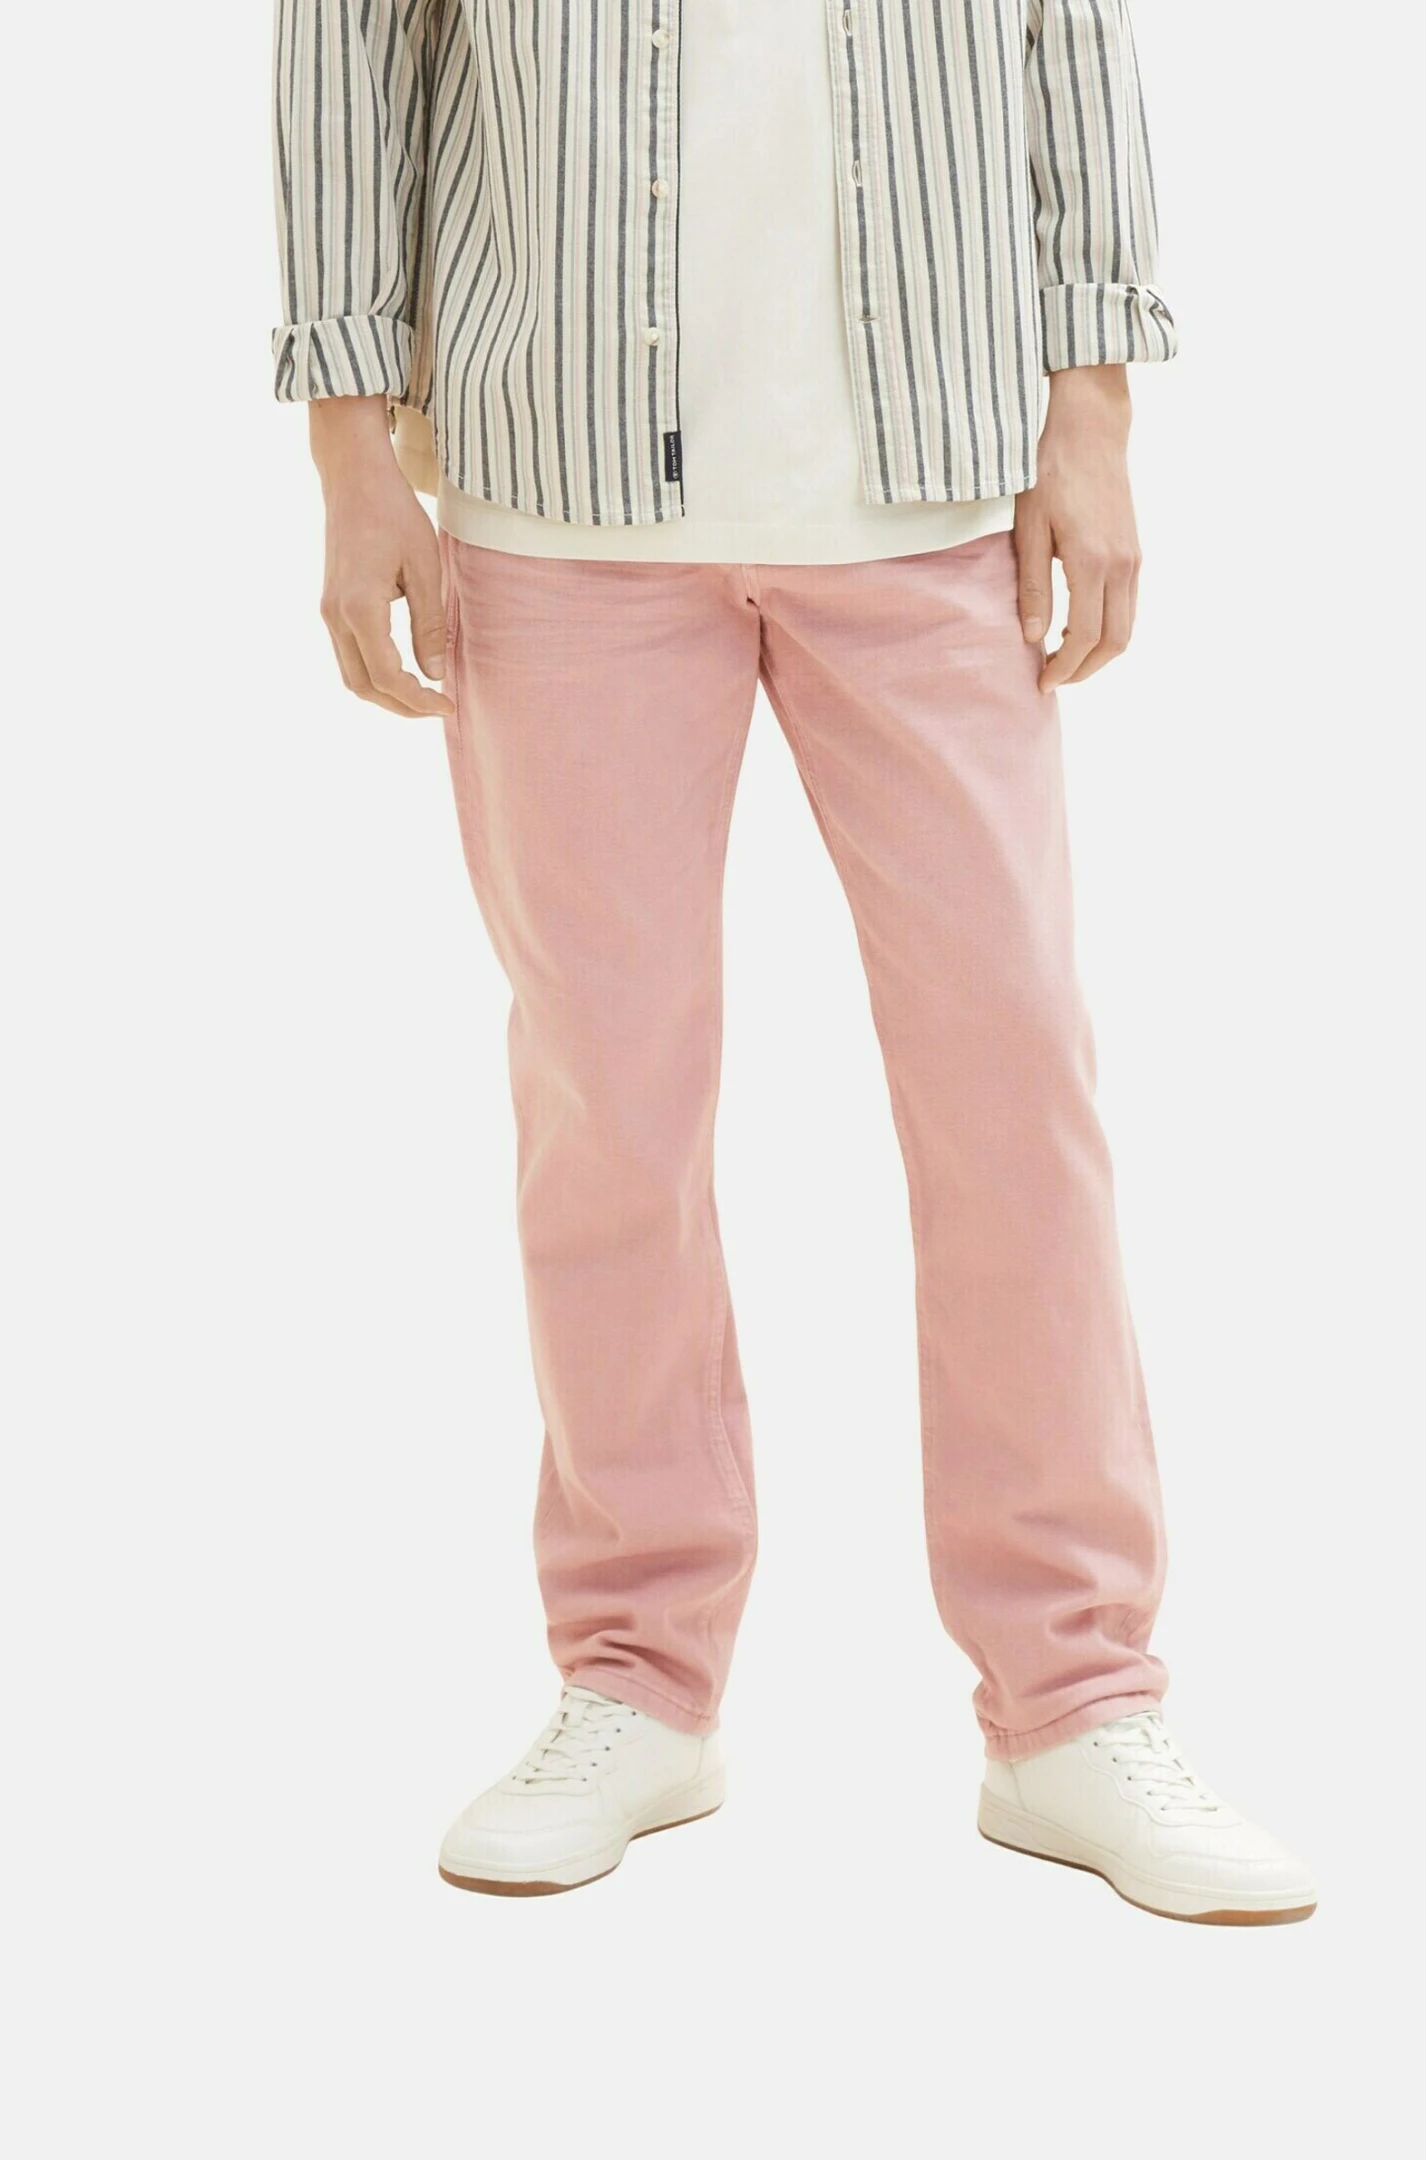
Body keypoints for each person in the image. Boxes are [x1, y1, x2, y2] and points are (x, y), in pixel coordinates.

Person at [273, 0, 1315, 1925]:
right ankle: (636, 1676)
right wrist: (349, 451)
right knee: (608, 1108)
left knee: (1013, 1090)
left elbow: (1070, 35)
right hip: (556, 487)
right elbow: (353, 48)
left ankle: (1073, 1700)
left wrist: (1092, 408)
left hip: (929, 491)